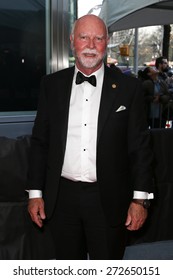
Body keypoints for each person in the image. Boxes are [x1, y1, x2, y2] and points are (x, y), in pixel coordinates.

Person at [27, 14, 154, 260]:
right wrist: (35, 194)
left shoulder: (130, 89)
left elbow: (140, 149)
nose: (91, 45)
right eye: (84, 37)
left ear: (107, 42)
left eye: (98, 38)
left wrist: (140, 200)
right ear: (72, 40)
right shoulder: (50, 85)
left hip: (110, 198)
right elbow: (40, 142)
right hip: (60, 198)